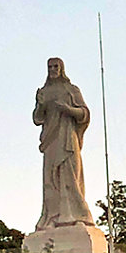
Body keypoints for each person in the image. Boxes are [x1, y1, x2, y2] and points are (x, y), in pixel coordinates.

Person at [32, 57, 95, 231]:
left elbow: (84, 113)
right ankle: (52, 217)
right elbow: (38, 119)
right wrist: (40, 104)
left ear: (62, 68)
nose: (53, 69)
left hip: (67, 137)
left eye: (56, 66)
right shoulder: (44, 91)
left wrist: (68, 109)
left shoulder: (71, 90)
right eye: (50, 67)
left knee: (70, 175)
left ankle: (77, 215)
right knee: (51, 178)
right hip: (51, 139)